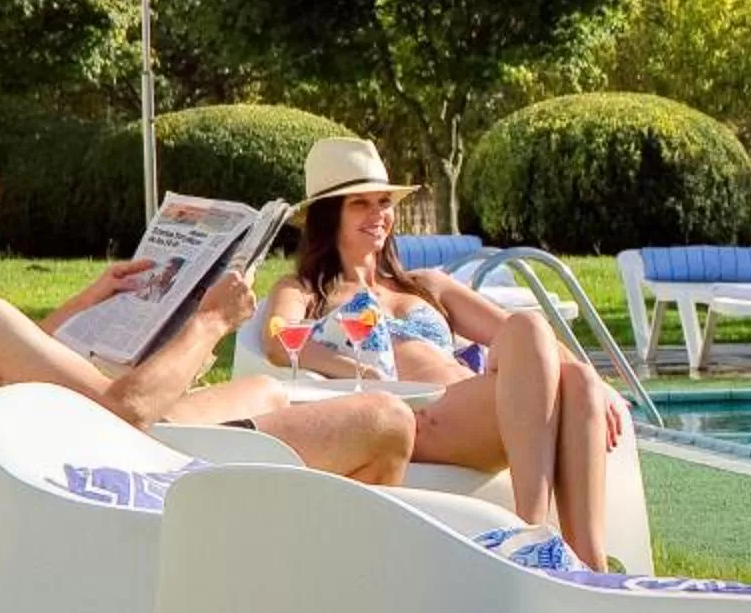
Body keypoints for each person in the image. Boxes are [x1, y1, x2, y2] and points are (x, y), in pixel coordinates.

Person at [0, 147, 414, 484]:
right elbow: (127, 411)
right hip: (115, 471)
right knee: (388, 422)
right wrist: (211, 321)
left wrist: (85, 302)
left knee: (265, 390)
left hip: (41, 459)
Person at [263, 138, 629, 567]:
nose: (378, 215)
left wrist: (599, 383)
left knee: (564, 363)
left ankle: (591, 566)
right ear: (329, 216)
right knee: (549, 351)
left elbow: (526, 337)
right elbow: (279, 337)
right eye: (360, 204)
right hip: (420, 417)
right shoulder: (308, 290)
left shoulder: (427, 284)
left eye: (384, 202)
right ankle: (528, 535)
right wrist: (350, 365)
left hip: (488, 406)